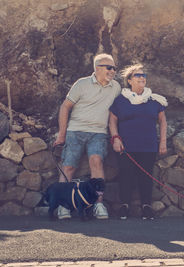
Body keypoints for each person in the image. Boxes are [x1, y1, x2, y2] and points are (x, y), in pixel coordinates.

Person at [53, 53, 121, 219]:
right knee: (68, 166)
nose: (112, 71)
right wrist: (62, 134)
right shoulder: (81, 84)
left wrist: (116, 136)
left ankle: (98, 204)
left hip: (99, 132)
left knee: (96, 162)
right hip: (75, 130)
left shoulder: (116, 87)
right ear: (97, 68)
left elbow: (117, 114)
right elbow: (65, 107)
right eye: (109, 67)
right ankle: (63, 206)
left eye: (114, 68)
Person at [109, 63, 167, 220]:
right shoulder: (120, 100)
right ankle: (124, 206)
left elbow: (162, 122)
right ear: (129, 80)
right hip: (125, 145)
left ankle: (146, 207)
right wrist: (115, 138)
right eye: (138, 75)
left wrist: (163, 142)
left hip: (148, 145)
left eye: (144, 76)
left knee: (146, 176)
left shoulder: (154, 100)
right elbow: (112, 121)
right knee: (125, 175)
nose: (142, 78)